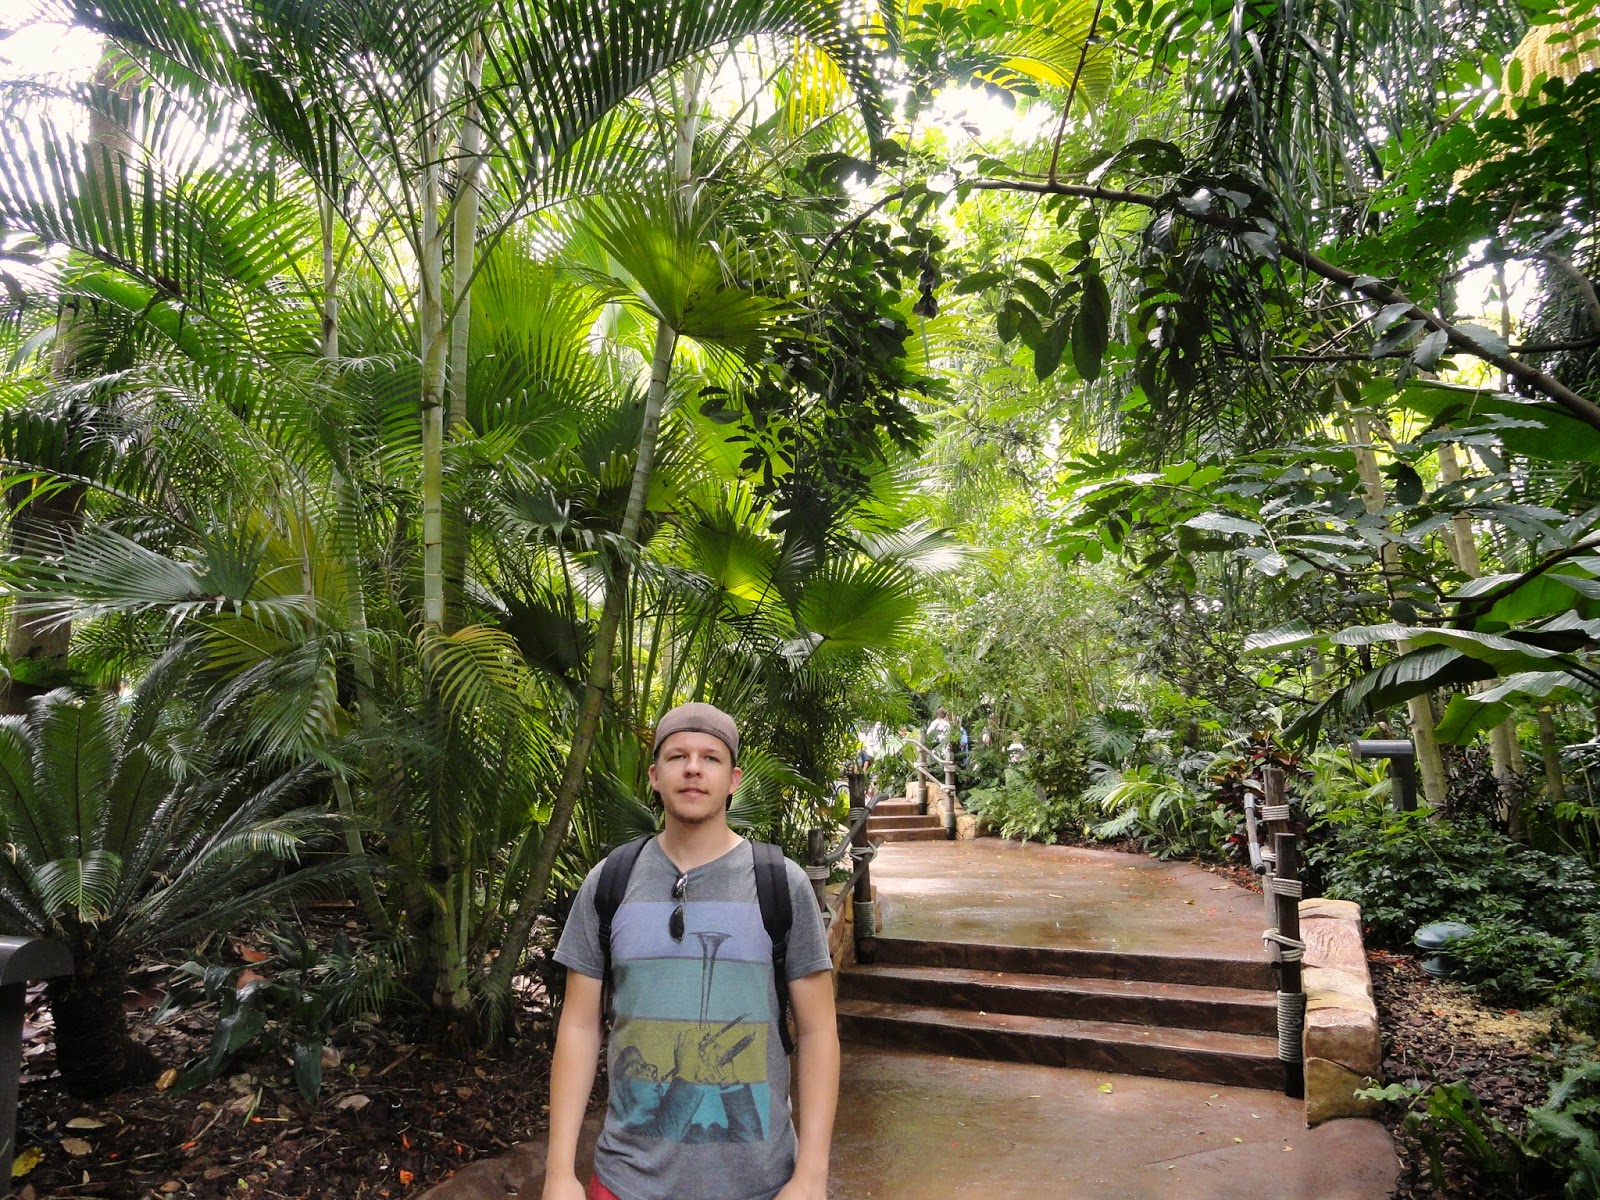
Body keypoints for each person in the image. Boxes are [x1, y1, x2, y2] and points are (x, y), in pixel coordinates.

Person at [542, 702, 839, 1200]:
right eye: (678, 756)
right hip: (626, 1182)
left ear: (733, 779)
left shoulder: (780, 884)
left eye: (711, 758)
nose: (694, 768)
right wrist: (558, 1174)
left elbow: (818, 1032)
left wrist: (811, 1176)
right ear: (655, 776)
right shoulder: (610, 881)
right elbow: (578, 1026)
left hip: (760, 1184)